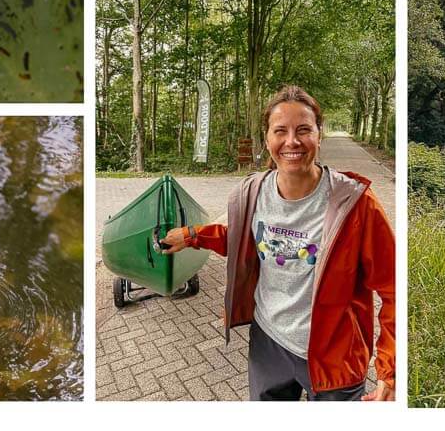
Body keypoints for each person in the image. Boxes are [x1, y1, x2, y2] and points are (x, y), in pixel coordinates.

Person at [161, 85, 395, 401]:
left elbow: (393, 287)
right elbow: (247, 239)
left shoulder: (356, 204)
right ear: (267, 137)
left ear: (319, 134)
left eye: (303, 130)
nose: (292, 141)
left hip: (335, 355)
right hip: (268, 343)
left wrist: (389, 372)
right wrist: (191, 236)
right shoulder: (251, 193)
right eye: (280, 131)